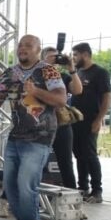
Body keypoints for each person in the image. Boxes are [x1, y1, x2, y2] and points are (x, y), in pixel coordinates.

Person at [0, 35, 67, 220]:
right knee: (10, 184)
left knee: (26, 183)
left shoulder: (48, 70)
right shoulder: (10, 73)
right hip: (16, 135)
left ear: (38, 50)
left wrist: (36, 90)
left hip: (40, 136)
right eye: (20, 45)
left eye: (28, 46)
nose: (23, 48)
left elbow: (61, 99)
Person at [69, 42, 111, 203]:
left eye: (75, 55)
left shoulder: (100, 72)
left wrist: (99, 119)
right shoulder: (77, 72)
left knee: (90, 155)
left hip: (90, 120)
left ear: (85, 54)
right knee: (79, 155)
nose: (73, 58)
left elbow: (107, 97)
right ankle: (83, 187)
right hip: (75, 121)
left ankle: (97, 190)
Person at [41, 46, 83, 189]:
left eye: (57, 57)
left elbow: (78, 90)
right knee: (37, 163)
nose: (55, 60)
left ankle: (72, 201)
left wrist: (71, 68)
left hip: (62, 125)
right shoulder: (37, 76)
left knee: (66, 164)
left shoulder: (63, 77)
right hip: (41, 126)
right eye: (51, 57)